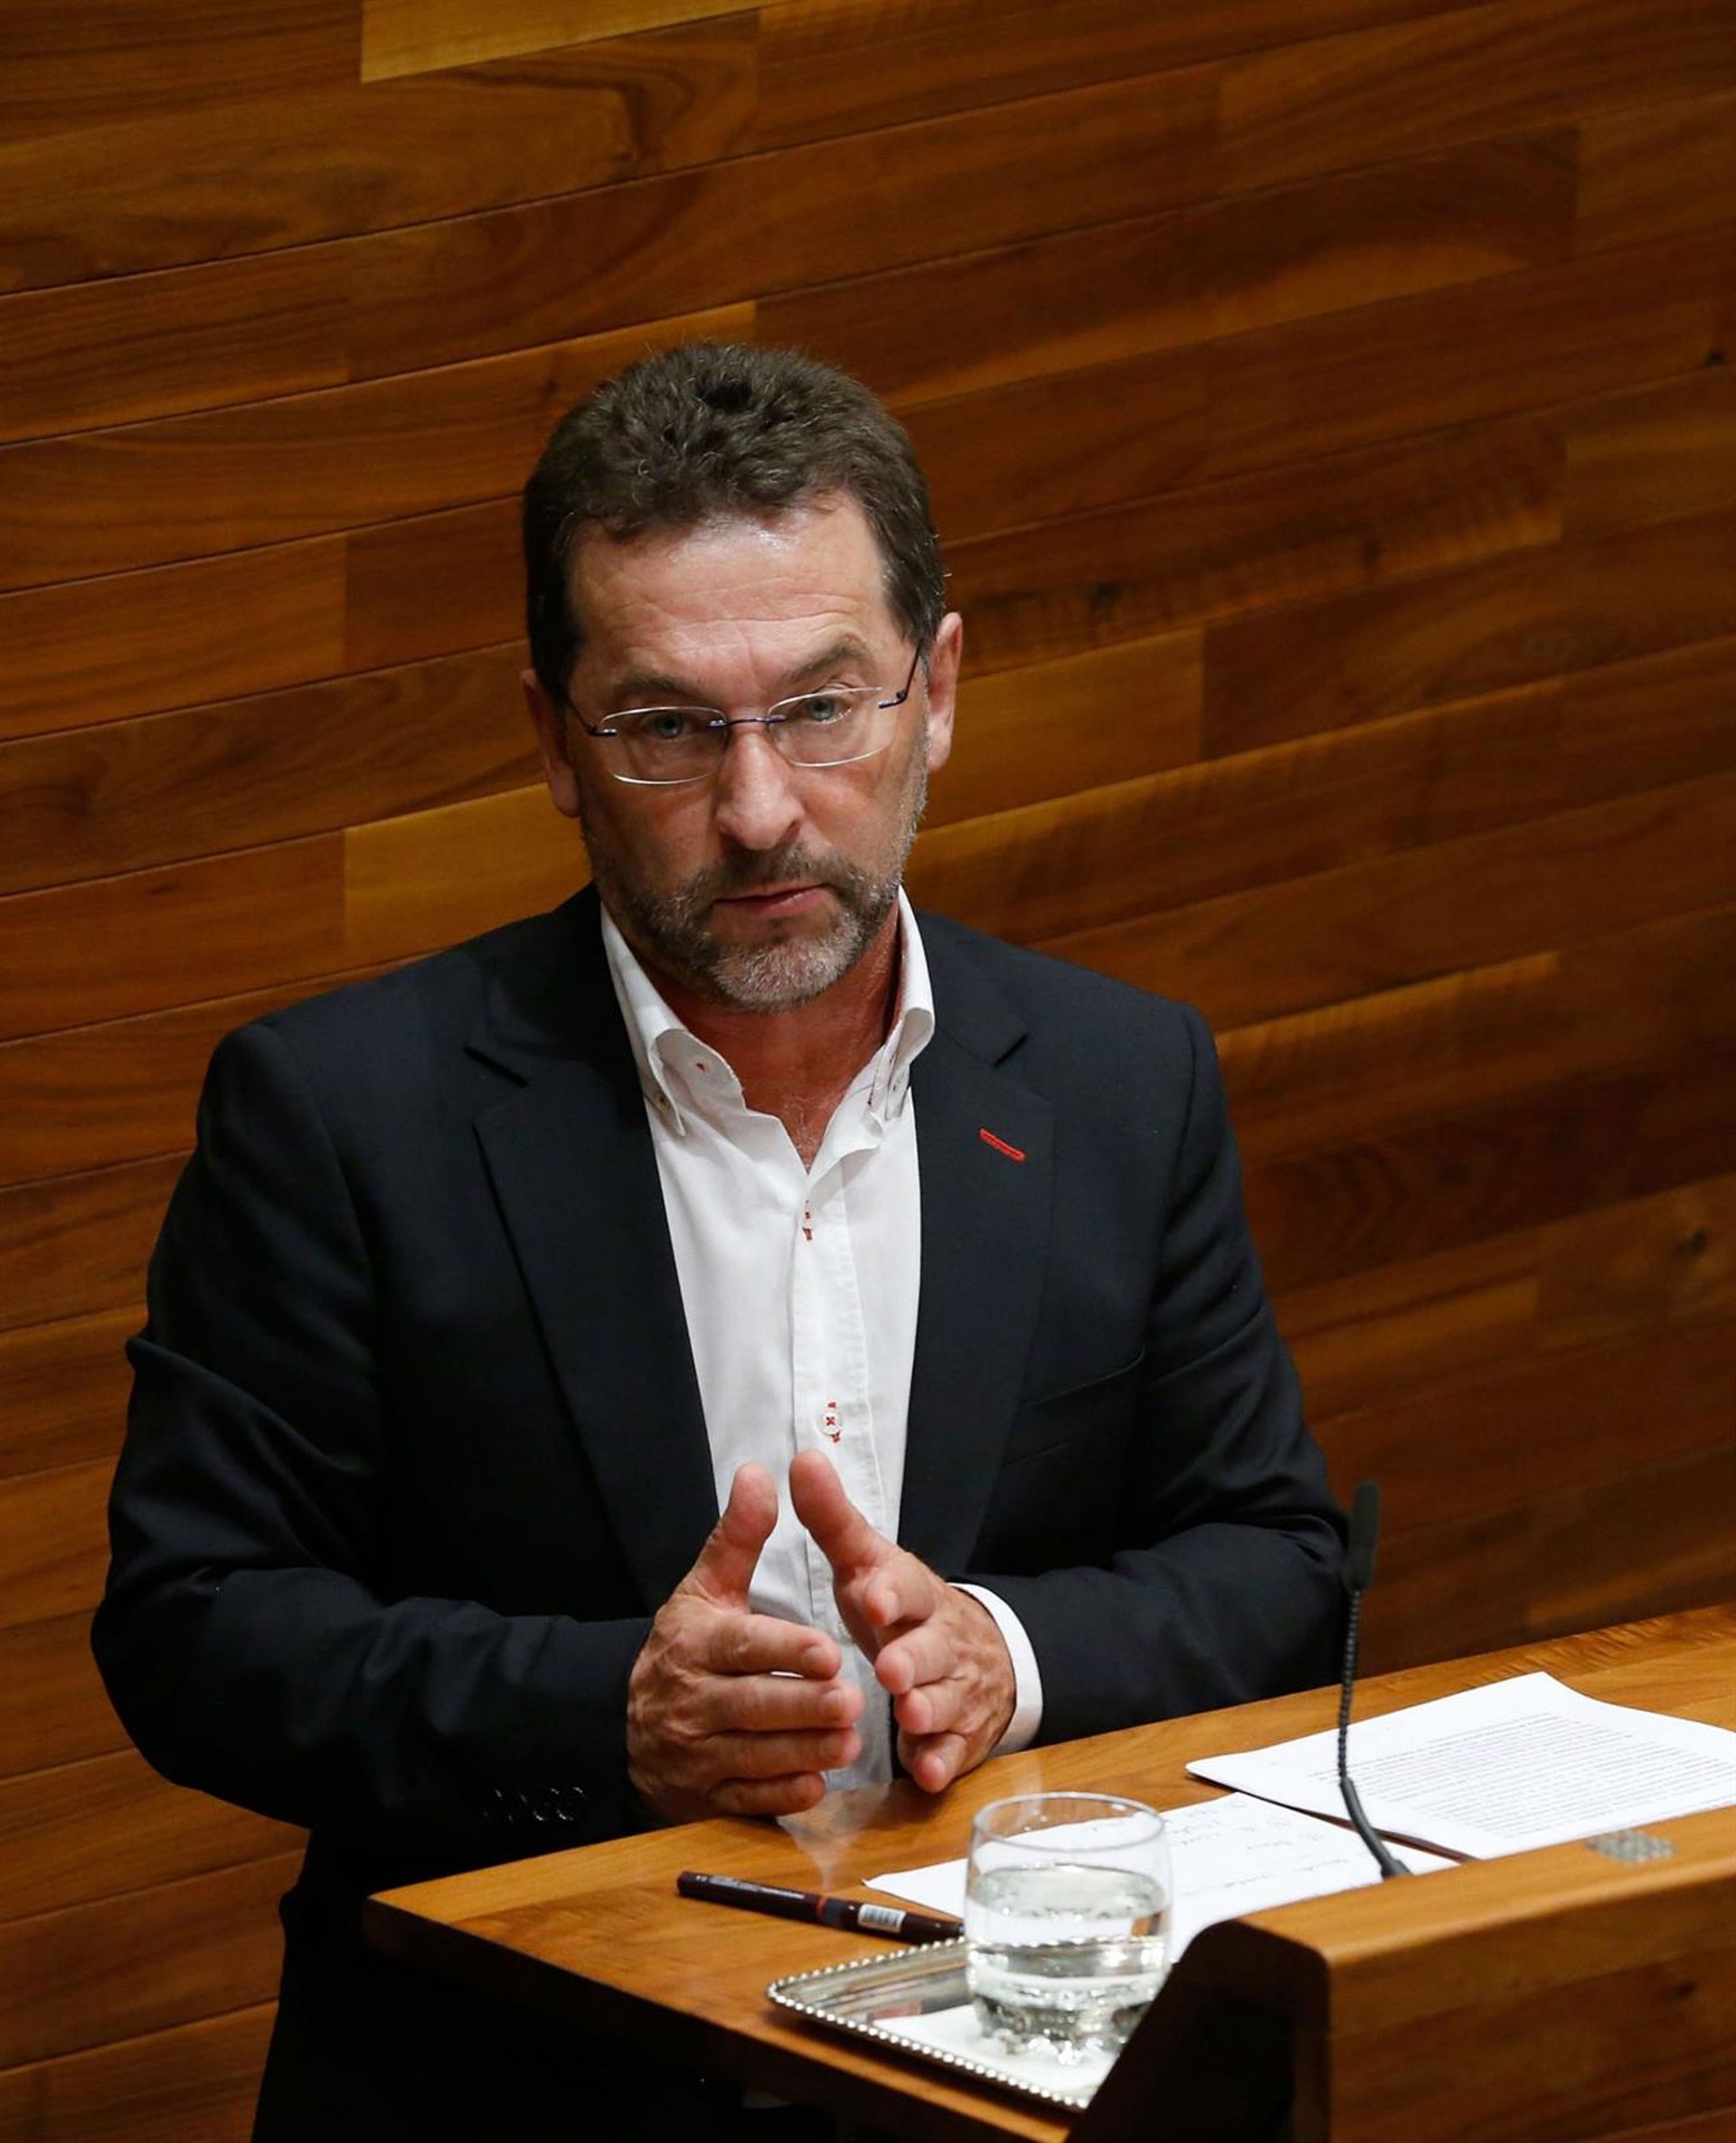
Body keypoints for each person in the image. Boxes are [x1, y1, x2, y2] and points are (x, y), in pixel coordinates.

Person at [94, 342, 1345, 2139]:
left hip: (1010, 2075)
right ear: (555, 740)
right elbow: (197, 1628)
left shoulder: (1116, 1079)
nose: (760, 810)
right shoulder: (342, 1114)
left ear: (937, 693)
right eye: (671, 729)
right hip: (522, 2092)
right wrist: (606, 1708)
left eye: (823, 708)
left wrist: (1007, 1654)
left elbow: (1277, 1558)